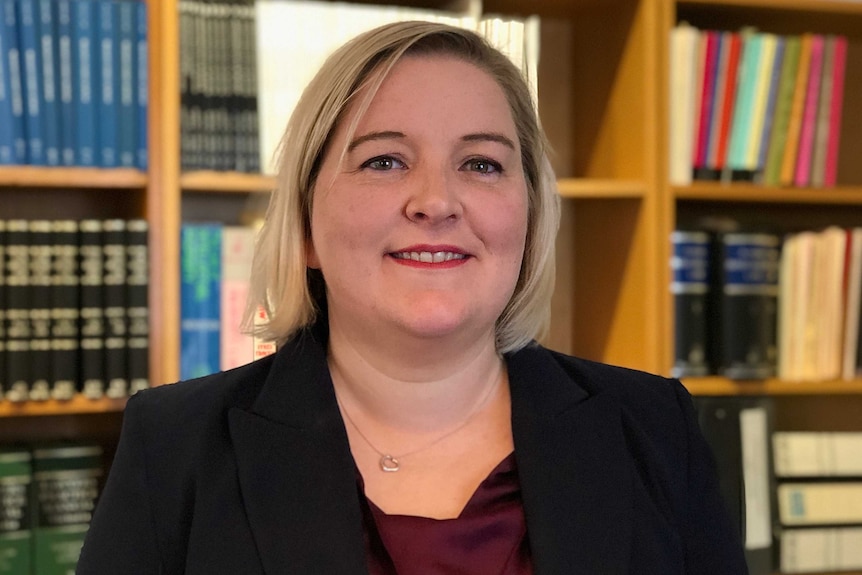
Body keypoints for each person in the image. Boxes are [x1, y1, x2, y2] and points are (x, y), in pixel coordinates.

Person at [77, 20, 748, 574]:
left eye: (481, 163)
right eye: (385, 160)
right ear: (306, 224)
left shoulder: (655, 429)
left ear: (531, 216)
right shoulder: (172, 447)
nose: (436, 201)